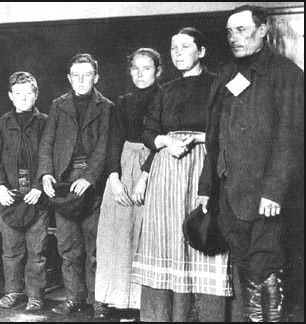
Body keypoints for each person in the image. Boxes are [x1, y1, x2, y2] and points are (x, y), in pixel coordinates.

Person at [198, 5, 304, 322]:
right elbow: (213, 138)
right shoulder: (226, 76)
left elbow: (292, 138)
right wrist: (207, 188)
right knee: (244, 263)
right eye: (230, 32)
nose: (234, 37)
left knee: (266, 264)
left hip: (266, 197)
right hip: (232, 194)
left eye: (242, 30)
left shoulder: (287, 75)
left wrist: (274, 191)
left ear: (262, 31)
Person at [130, 27, 232, 322]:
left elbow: (225, 127)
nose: (177, 53)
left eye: (185, 47)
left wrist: (198, 139)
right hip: (167, 173)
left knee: (201, 236)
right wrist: (165, 141)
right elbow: (149, 129)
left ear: (201, 52)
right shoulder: (167, 91)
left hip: (204, 166)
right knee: (167, 241)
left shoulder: (218, 85)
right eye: (173, 48)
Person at [37, 53, 112, 317]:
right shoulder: (58, 105)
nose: (81, 80)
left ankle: (98, 300)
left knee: (95, 247)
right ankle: (74, 297)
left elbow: (104, 148)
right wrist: (46, 174)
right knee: (68, 246)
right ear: (69, 78)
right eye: (76, 76)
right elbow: (46, 143)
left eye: (87, 75)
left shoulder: (106, 107)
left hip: (92, 185)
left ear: (96, 77)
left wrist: (89, 177)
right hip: (63, 185)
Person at [94, 48, 161, 319]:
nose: (140, 73)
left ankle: (145, 304)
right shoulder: (122, 102)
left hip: (155, 167)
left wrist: (145, 174)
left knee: (146, 235)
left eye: (147, 68)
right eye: (135, 68)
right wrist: (114, 178)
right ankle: (121, 300)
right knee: (117, 234)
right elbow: (113, 141)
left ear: (159, 71)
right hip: (123, 168)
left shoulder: (166, 97)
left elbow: (162, 140)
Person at [0, 72, 49, 311]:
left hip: (36, 198)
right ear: (10, 96)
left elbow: (49, 156)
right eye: (18, 93)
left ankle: (35, 294)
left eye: (28, 93)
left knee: (37, 249)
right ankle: (12, 291)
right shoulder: (0, 125)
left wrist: (38, 187)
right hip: (9, 197)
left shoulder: (45, 122)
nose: (23, 98)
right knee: (10, 250)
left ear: (36, 95)